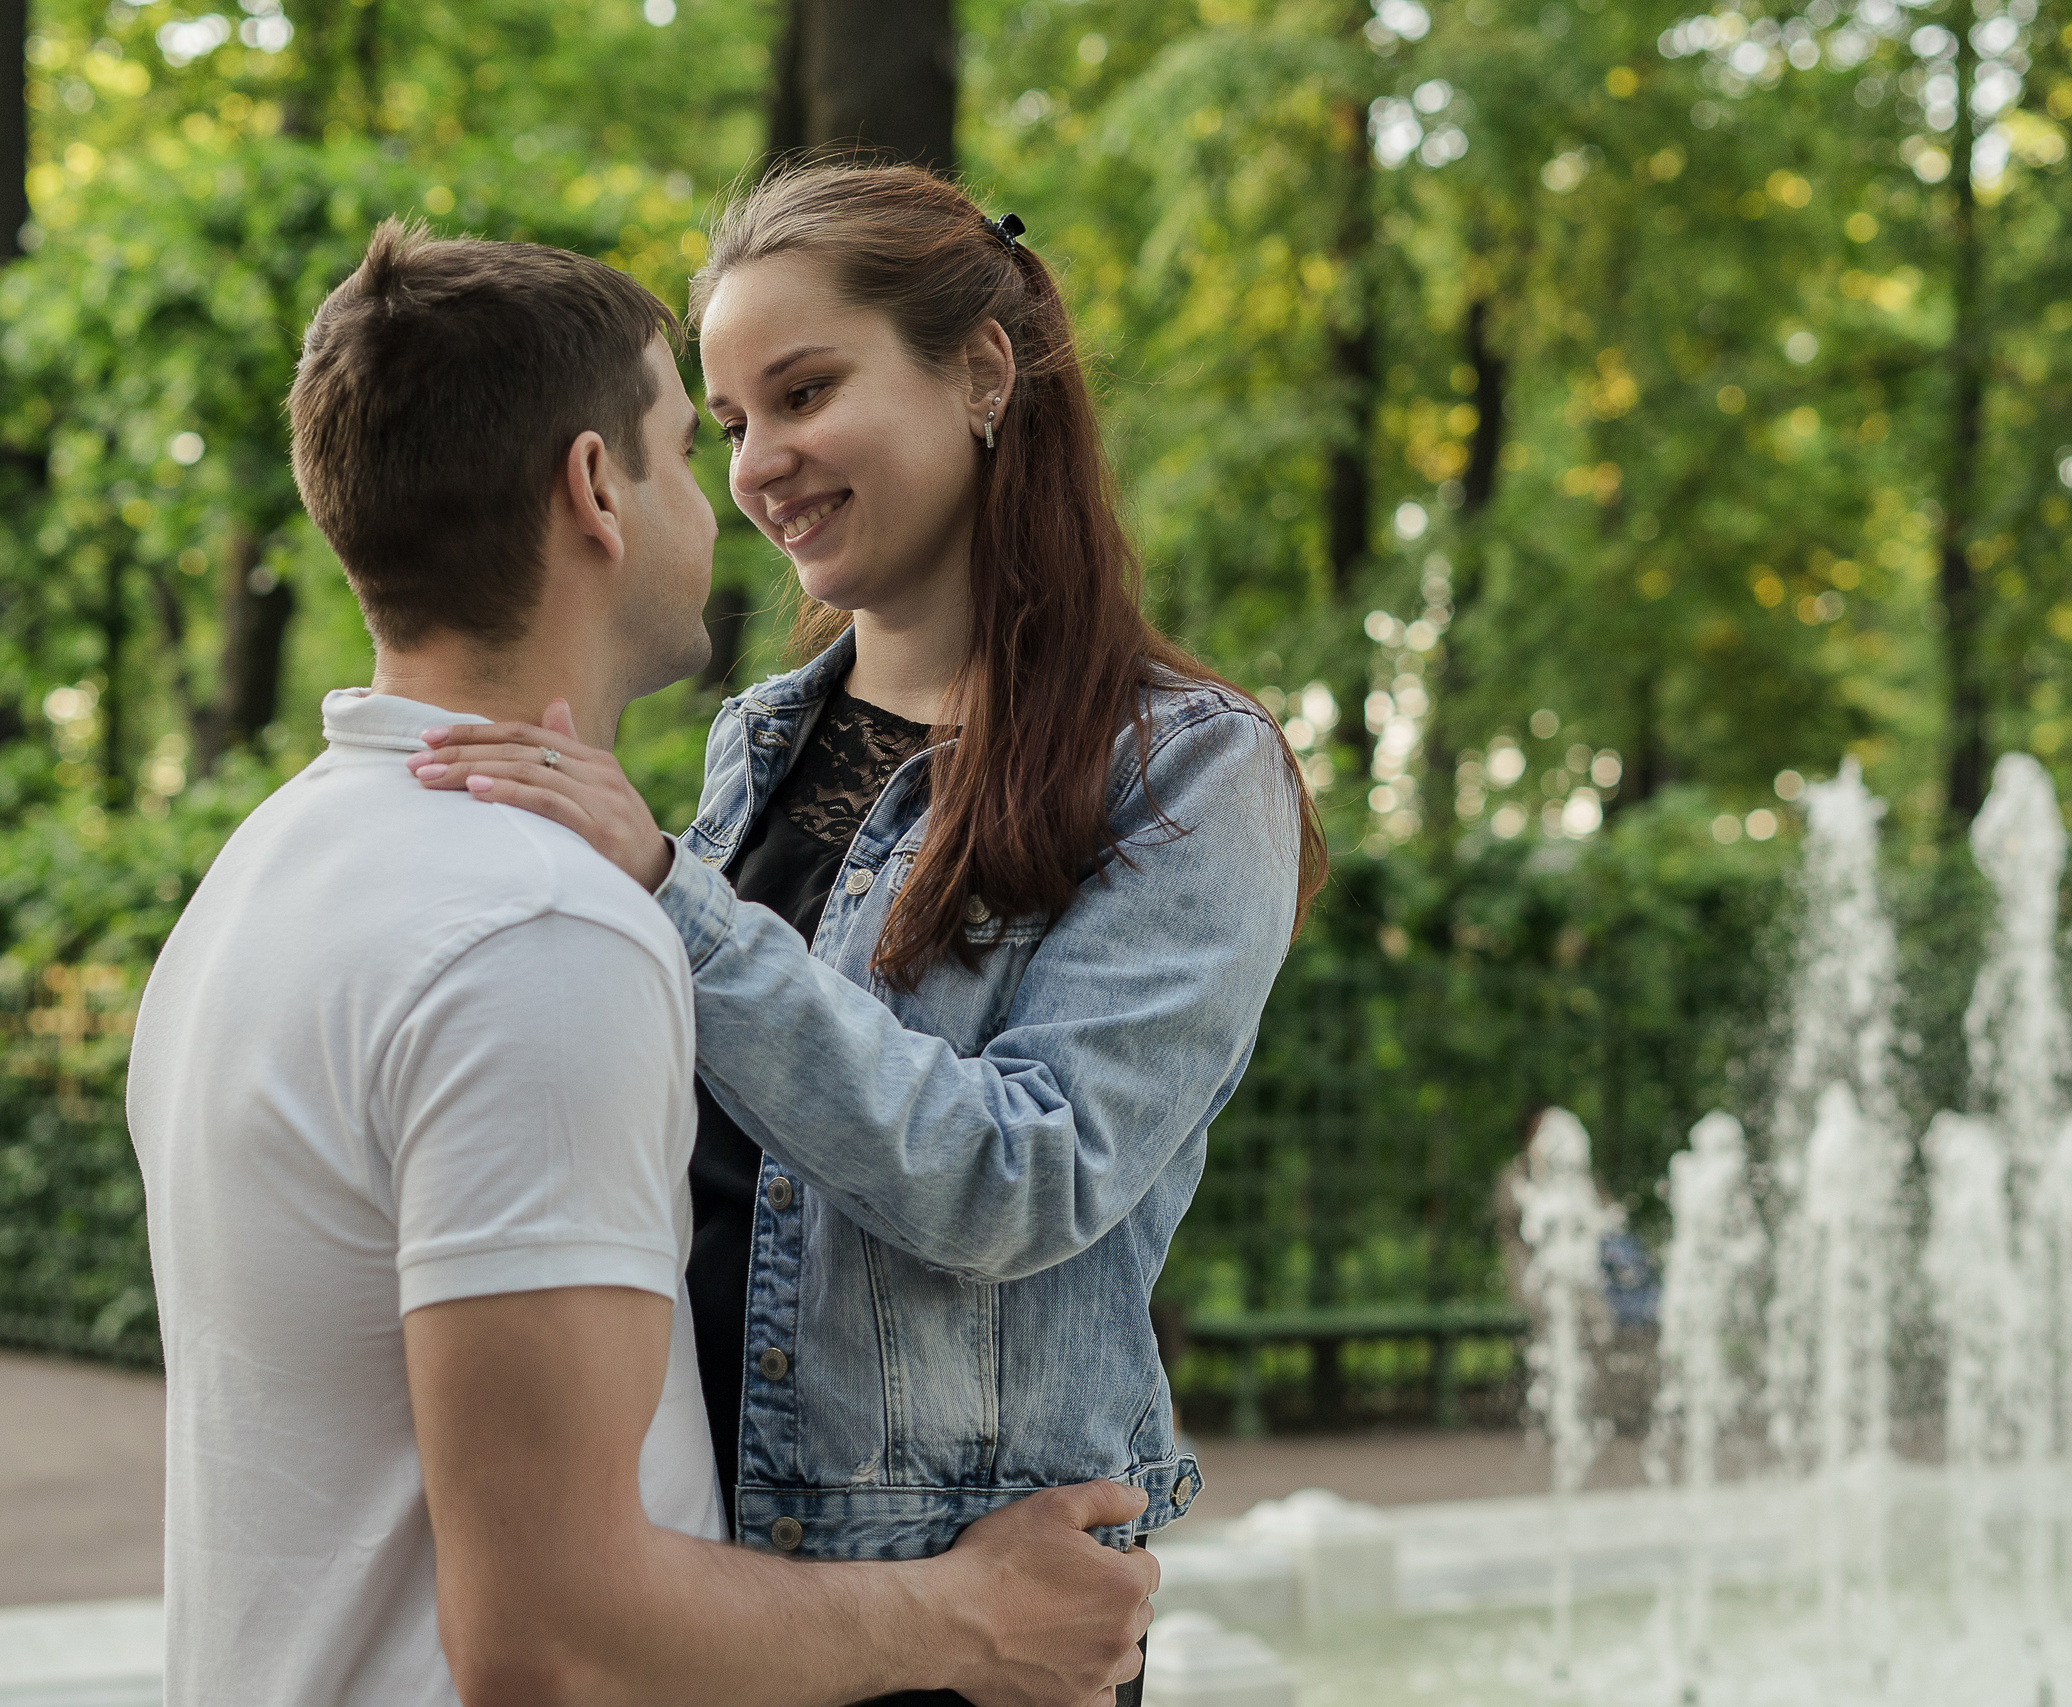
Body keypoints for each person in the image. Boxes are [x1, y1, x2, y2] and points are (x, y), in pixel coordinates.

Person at [126, 221, 1154, 1707]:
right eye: (696, 439)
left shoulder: (269, 870)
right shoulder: (537, 932)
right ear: (595, 491)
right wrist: (974, 1619)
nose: (731, 489)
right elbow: (553, 1636)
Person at [406, 164, 1326, 1699]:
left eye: (805, 391)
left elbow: (1023, 1176)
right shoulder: (757, 741)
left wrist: (670, 903)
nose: (760, 463)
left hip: (966, 1619)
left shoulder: (1192, 770)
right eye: (728, 423)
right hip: (698, 1584)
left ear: (979, 374)